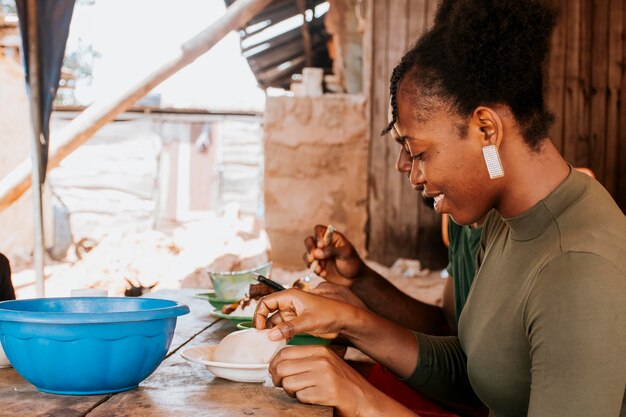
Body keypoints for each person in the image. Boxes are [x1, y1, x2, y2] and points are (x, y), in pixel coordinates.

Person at [253, 0, 626, 415]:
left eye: (418, 151)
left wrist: (360, 399)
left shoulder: (578, 266)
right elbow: (478, 373)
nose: (409, 172)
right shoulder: (507, 223)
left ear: (486, 129)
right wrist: (347, 321)